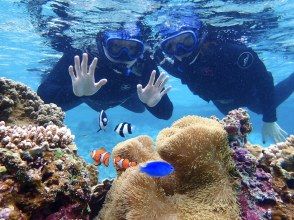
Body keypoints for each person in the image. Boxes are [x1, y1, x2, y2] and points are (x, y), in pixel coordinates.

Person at [154, 15, 293, 143]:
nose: (180, 51)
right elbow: (185, 75)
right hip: (223, 104)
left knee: (260, 108)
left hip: (250, 95)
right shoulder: (182, 65)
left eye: (187, 41)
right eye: (170, 46)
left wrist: (269, 119)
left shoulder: (230, 52)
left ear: (198, 37)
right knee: (232, 127)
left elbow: (264, 79)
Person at [37, 22, 173, 120]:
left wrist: (152, 103)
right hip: (88, 96)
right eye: (115, 46)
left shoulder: (144, 64)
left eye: (132, 48)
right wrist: (77, 93)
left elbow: (165, 114)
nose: (124, 55)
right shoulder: (83, 57)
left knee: (140, 109)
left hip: (124, 97)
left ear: (141, 50)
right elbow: (43, 99)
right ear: (102, 45)